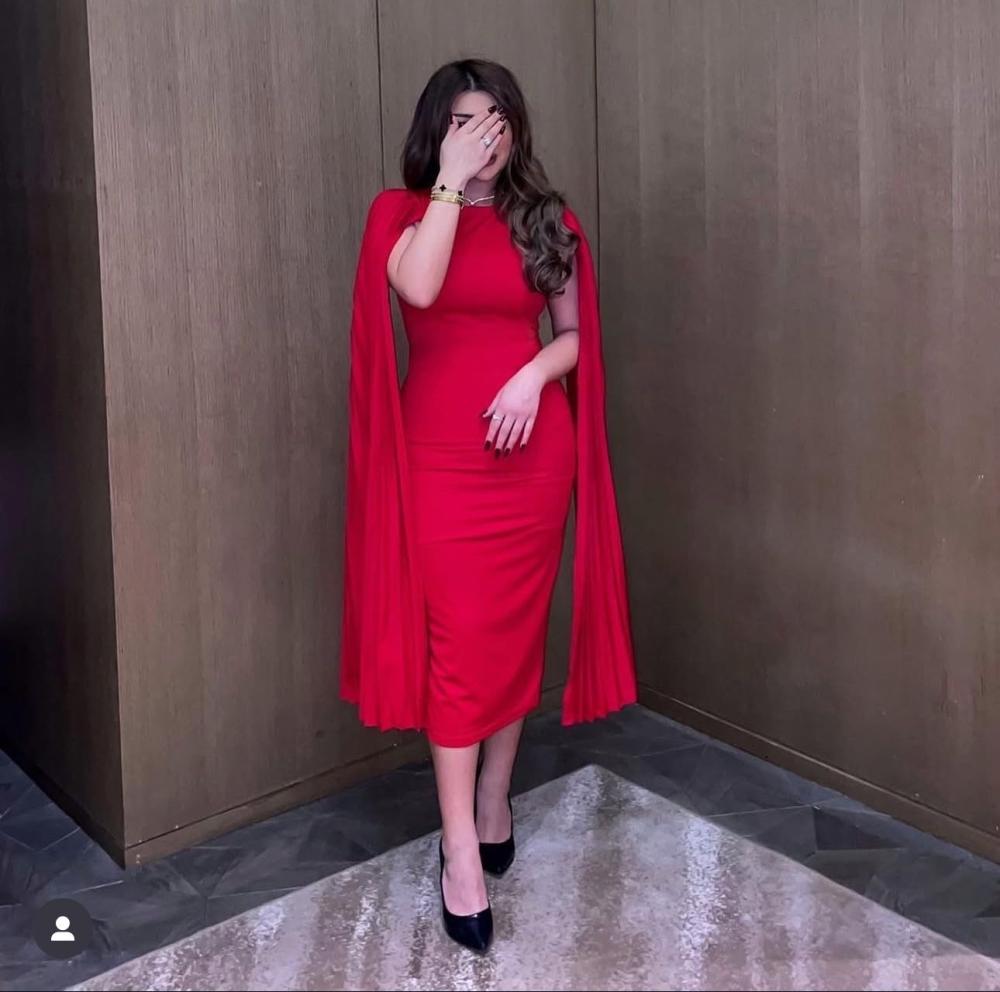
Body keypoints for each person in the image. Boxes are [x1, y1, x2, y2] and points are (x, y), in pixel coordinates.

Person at [339, 58, 637, 953]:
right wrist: (450, 184)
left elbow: (575, 336)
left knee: (513, 634)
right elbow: (421, 290)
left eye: (497, 120)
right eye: (466, 122)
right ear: (438, 131)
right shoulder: (400, 215)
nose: (484, 136)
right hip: (437, 463)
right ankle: (460, 851)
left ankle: (496, 800)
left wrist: (532, 374)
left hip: (532, 459)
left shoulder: (548, 219)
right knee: (457, 647)